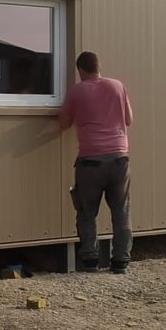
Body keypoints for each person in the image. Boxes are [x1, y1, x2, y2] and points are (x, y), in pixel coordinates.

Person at [57, 51, 133, 273]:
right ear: (99, 67)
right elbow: (129, 119)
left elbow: (63, 123)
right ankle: (120, 261)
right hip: (119, 158)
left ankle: (90, 260)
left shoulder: (77, 91)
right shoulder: (118, 86)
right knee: (121, 211)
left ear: (81, 69)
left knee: (87, 211)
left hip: (90, 161)